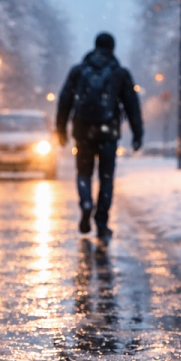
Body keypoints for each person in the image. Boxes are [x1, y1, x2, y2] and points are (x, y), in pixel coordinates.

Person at [56, 32, 143, 244]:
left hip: (83, 130)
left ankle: (86, 203)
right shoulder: (119, 72)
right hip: (109, 131)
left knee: (83, 173)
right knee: (106, 178)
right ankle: (102, 222)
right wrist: (137, 132)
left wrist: (61, 129)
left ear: (94, 46)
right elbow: (132, 104)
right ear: (112, 48)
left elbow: (65, 99)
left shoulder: (78, 71)